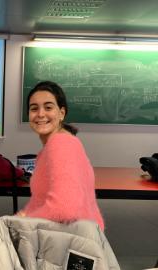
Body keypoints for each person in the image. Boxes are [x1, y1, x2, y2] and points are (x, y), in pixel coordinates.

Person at [17, 80, 105, 230]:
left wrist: (22, 223)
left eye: (48, 107)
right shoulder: (55, 146)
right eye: (34, 108)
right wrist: (23, 216)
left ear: (61, 113)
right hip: (67, 237)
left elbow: (64, 209)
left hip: (70, 244)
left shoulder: (61, 144)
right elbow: (40, 201)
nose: (40, 114)